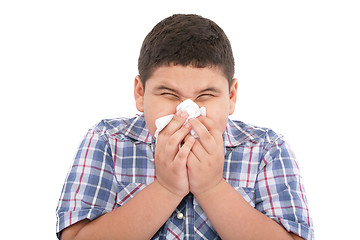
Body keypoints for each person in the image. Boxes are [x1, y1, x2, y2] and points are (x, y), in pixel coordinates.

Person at [56, 14, 314, 240]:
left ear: (231, 96)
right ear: (140, 93)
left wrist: (211, 187)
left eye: (206, 96)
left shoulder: (266, 148)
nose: (187, 112)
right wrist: (166, 189)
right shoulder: (107, 140)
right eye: (168, 94)